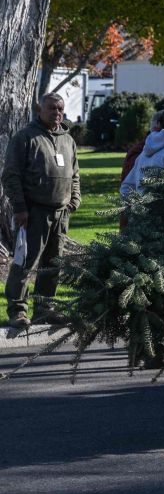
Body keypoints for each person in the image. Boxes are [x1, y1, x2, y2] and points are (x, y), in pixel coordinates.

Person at [5, 93, 81, 334]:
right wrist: (20, 208)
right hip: (33, 213)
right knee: (25, 263)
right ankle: (17, 310)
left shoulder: (68, 140)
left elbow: (75, 173)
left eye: (60, 109)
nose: (57, 113)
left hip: (61, 213)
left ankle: (45, 309)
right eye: (51, 109)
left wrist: (74, 198)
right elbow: (11, 175)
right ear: (40, 110)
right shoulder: (26, 137)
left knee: (53, 263)